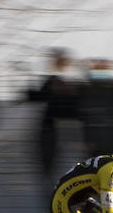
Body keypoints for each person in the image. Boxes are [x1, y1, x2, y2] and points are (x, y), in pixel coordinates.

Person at [25, 47, 82, 181]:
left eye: (53, 60)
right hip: (53, 129)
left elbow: (40, 97)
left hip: (62, 130)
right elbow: (38, 97)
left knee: (62, 170)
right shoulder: (53, 80)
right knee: (52, 170)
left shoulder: (67, 82)